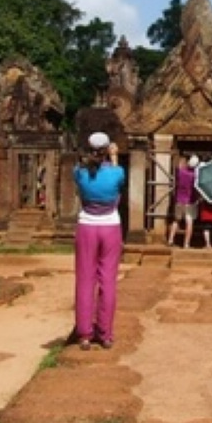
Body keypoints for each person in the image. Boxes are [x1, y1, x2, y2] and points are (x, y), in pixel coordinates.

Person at [71, 131, 126, 350]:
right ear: (107, 150)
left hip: (87, 226)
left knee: (85, 280)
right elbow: (118, 180)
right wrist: (114, 157)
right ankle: (105, 334)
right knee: (108, 281)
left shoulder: (79, 173)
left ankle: (84, 333)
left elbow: (83, 170)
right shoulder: (117, 172)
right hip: (110, 226)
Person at [166, 154, 198, 248]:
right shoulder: (194, 176)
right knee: (189, 222)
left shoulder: (181, 172)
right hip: (190, 201)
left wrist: (182, 163)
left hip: (179, 200)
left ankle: (170, 240)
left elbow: (178, 166)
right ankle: (186, 243)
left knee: (176, 221)